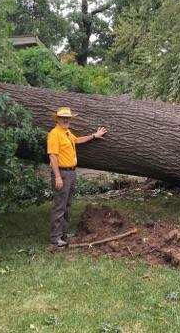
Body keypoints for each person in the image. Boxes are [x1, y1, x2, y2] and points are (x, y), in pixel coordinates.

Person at [46, 107, 107, 251]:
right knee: (59, 206)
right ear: (57, 119)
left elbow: (77, 140)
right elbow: (52, 156)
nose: (66, 120)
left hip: (71, 173)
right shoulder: (54, 134)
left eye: (68, 118)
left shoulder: (66, 132)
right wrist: (58, 177)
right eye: (63, 118)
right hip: (62, 173)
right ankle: (55, 239)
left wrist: (94, 135)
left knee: (67, 205)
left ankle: (63, 235)